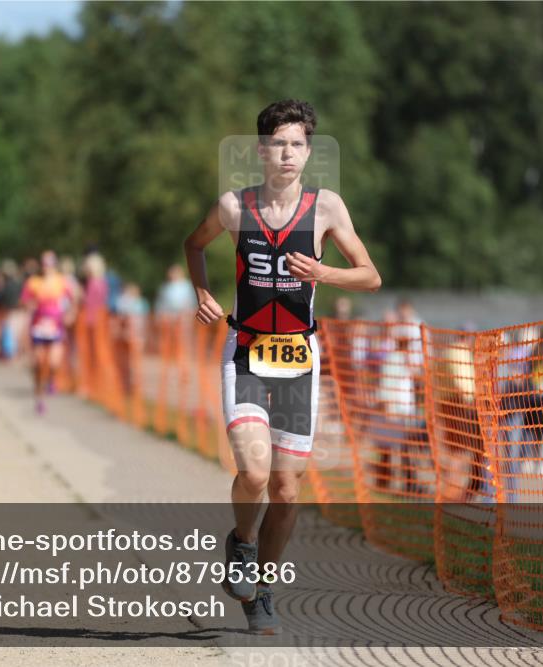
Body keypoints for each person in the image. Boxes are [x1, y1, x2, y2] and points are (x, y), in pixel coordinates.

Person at [183, 99, 381, 634]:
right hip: (246, 350)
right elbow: (193, 244)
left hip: (298, 356)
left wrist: (324, 272)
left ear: (308, 151)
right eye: (278, 143)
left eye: (297, 144)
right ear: (260, 150)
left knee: (289, 489)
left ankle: (262, 590)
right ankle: (241, 544)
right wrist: (202, 290)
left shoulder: (327, 209)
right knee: (253, 471)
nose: (287, 153)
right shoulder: (233, 207)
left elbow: (370, 276)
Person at [19, 251, 77, 415]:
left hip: (55, 326)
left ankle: (50, 380)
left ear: (54, 265)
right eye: (45, 264)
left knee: (54, 362)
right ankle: (39, 396)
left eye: (50, 264)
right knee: (38, 362)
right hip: (38, 326)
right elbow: (24, 300)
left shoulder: (61, 281)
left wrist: (70, 314)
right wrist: (28, 306)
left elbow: (74, 299)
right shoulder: (34, 282)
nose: (47, 267)